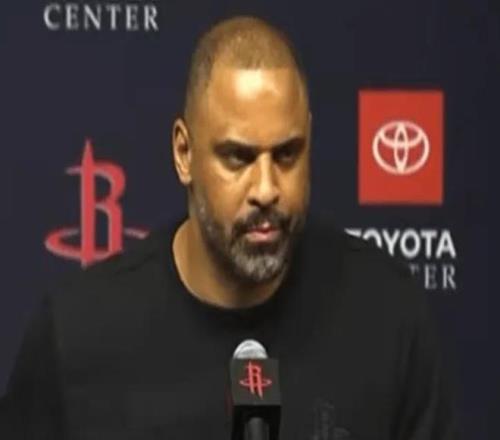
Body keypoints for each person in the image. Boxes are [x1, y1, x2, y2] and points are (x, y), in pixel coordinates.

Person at [0, 16, 459, 440]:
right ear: (184, 154)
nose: (266, 189)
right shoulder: (76, 335)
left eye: (287, 154)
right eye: (238, 158)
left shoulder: (387, 315)